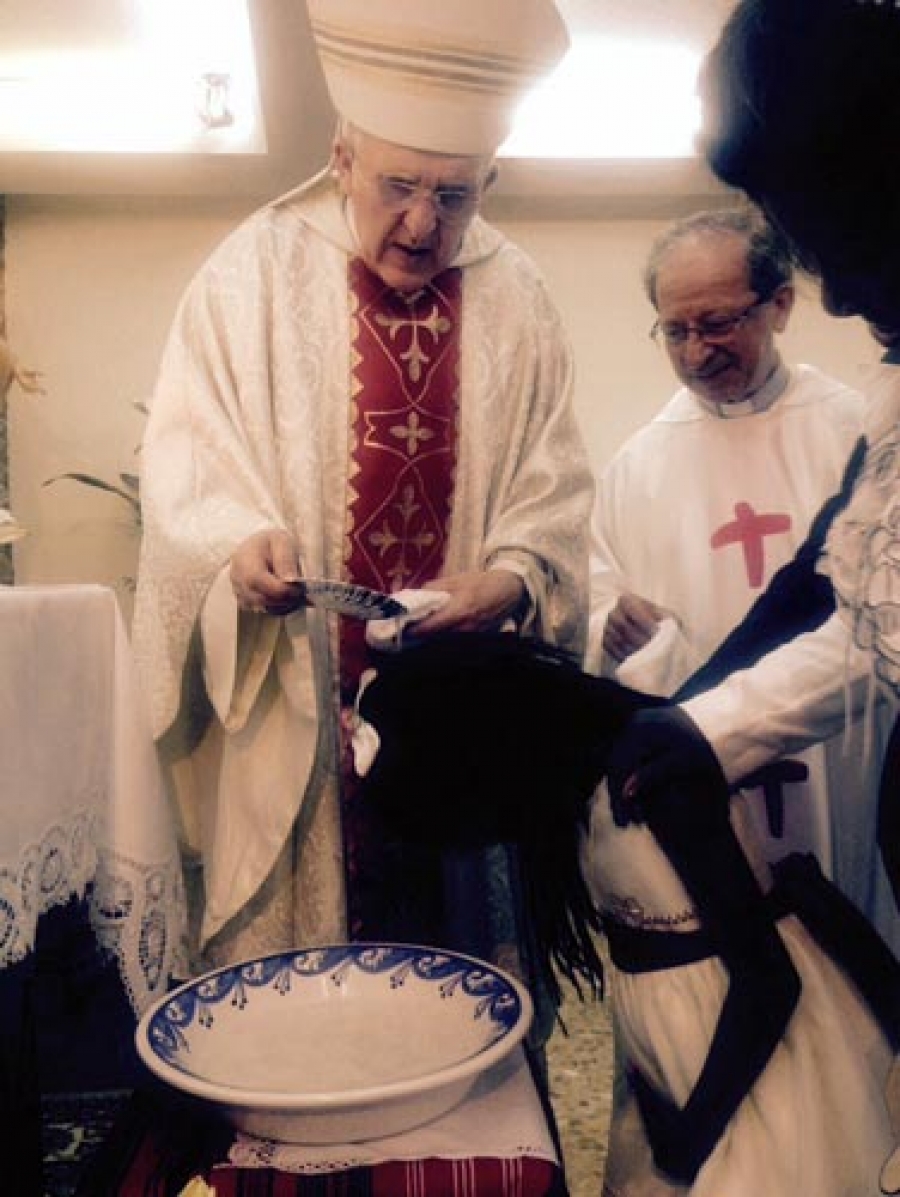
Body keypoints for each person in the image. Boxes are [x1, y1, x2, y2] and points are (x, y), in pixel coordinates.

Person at [130, 0, 592, 1034]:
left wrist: (515, 577)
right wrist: (235, 551)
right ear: (341, 156)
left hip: (461, 731)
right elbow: (187, 469)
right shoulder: (248, 276)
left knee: (470, 1007)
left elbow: (556, 493)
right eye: (399, 187)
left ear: (492, 185)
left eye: (454, 195)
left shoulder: (519, 300)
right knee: (309, 1025)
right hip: (308, 738)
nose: (424, 225)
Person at [602, 3, 900, 1187]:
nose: (834, 296)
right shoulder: (641, 461)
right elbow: (852, 608)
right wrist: (688, 719)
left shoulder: (846, 413)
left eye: (836, 248)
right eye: (674, 330)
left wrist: (705, 727)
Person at [352, 631, 899, 1195]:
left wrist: (691, 1139)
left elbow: (768, 980)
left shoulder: (653, 787)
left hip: (747, 1072)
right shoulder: (573, 795)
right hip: (673, 1059)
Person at [588, 207, 900, 950]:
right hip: (697, 746)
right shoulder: (639, 462)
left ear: (781, 305)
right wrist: (611, 621)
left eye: (720, 323)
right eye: (676, 330)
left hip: (837, 754)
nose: (697, 352)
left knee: (851, 926)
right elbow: (595, 586)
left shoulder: (856, 428)